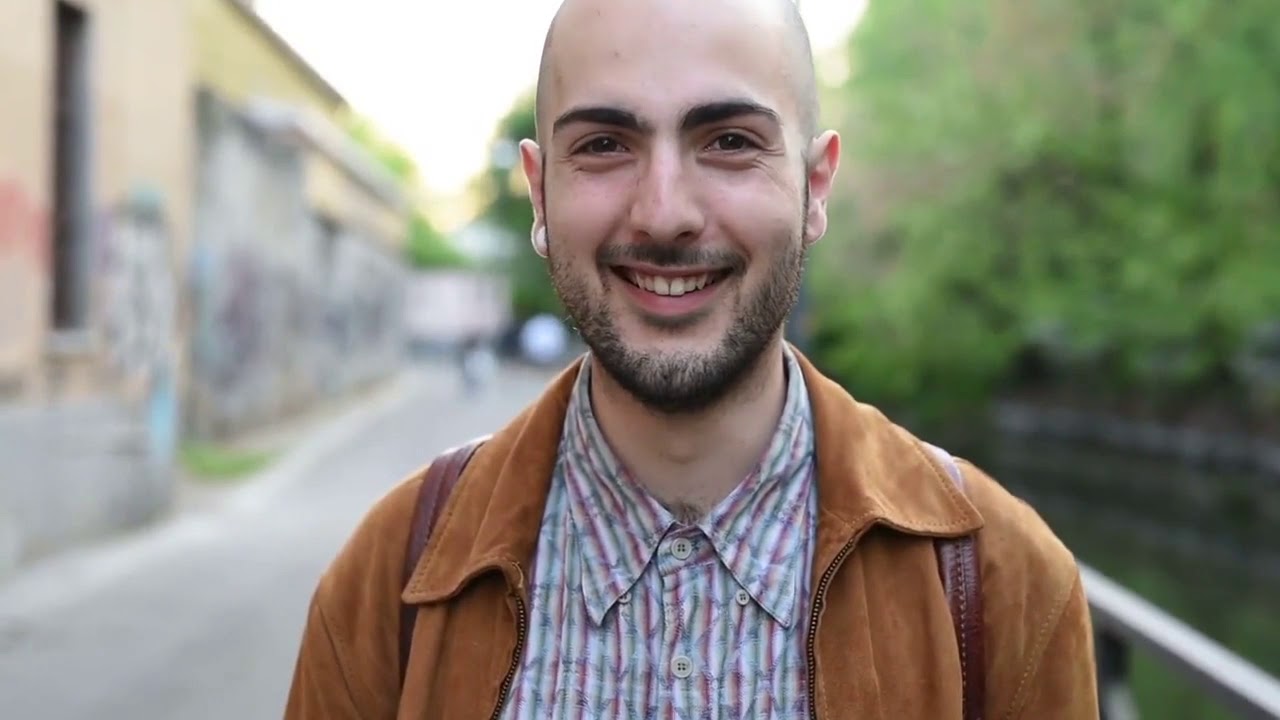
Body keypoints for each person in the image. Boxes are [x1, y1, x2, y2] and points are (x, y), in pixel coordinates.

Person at [284, 0, 1100, 717]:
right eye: (605, 144)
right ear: (539, 194)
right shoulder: (388, 581)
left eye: (730, 141)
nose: (664, 212)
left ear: (815, 187)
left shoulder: (1005, 587)